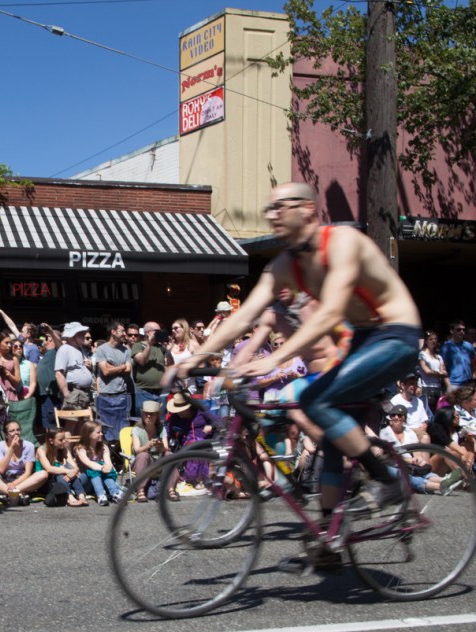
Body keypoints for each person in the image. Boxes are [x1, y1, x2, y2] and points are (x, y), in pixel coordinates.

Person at [178, 182, 424, 571]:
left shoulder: (342, 243)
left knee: (313, 400)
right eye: (269, 209)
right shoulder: (283, 265)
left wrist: (275, 359)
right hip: (363, 338)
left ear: (308, 209)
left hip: (396, 334)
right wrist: (195, 357)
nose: (272, 215)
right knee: (331, 439)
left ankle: (387, 482)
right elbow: (244, 317)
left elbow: (330, 314)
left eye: (281, 207)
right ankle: (328, 540)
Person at [0, 420, 47, 504]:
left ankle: (11, 494)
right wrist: (11, 448)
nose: (16, 433)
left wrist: (14, 484)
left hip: (22, 481)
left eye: (18, 430)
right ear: (6, 434)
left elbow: (28, 473)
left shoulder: (29, 446)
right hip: (4, 481)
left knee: (43, 474)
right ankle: (18, 494)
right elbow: (1, 470)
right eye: (12, 431)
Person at [92, 321, 133, 438]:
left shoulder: (126, 350)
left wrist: (112, 367)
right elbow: (105, 371)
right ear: (113, 332)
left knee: (123, 428)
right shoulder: (102, 349)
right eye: (122, 331)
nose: (125, 334)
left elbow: (128, 370)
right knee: (106, 428)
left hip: (122, 395)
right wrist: (122, 366)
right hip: (105, 395)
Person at [73, 419, 122, 506]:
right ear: (89, 434)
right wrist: (103, 468)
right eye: (98, 432)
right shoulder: (80, 449)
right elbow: (89, 463)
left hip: (99, 479)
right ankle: (101, 495)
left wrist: (107, 467)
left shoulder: (103, 447)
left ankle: (115, 493)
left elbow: (108, 463)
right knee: (94, 470)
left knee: (104, 471)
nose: (101, 434)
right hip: (85, 482)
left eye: (101, 432)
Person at [35, 427, 87, 506]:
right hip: (46, 482)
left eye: (64, 439)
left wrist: (71, 473)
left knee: (78, 473)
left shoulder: (63, 449)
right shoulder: (42, 450)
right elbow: (49, 469)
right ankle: (69, 496)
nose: (64, 441)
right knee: (60, 472)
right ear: (51, 441)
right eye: (60, 440)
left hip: (61, 480)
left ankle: (81, 495)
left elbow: (75, 466)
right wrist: (67, 471)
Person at [129, 400, 169, 502]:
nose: (149, 416)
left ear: (157, 416)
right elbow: (137, 450)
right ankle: (140, 490)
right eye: (146, 414)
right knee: (143, 455)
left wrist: (161, 446)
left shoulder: (161, 428)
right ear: (142, 415)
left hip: (158, 461)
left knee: (169, 454)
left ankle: (171, 489)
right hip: (142, 462)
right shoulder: (137, 429)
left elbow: (166, 448)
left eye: (152, 414)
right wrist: (148, 445)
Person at [131, 321, 168, 418]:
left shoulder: (161, 348)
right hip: (144, 392)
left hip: (160, 392)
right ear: (148, 332)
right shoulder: (138, 346)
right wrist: (149, 344)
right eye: (157, 331)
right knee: (143, 421)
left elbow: (169, 364)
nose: (159, 333)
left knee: (161, 421)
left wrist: (168, 348)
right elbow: (141, 361)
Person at [54, 322, 93, 410]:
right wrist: (67, 395)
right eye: (80, 334)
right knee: (73, 418)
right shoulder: (64, 349)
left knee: (85, 418)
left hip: (85, 393)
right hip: (75, 394)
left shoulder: (81, 350)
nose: (84, 335)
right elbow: (59, 374)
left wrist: (90, 368)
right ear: (73, 336)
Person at [389, 374, 431, 443]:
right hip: (404, 431)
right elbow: (391, 422)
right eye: (411, 384)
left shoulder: (419, 402)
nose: (414, 386)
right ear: (403, 385)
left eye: (415, 384)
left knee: (425, 438)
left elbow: (424, 421)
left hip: (418, 431)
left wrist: (424, 425)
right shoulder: (395, 401)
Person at [417, 329, 448, 411]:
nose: (433, 341)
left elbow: (444, 372)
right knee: (427, 410)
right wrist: (440, 373)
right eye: (430, 339)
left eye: (435, 339)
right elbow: (427, 371)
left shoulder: (439, 357)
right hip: (426, 387)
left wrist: (438, 373)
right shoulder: (422, 355)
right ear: (426, 341)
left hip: (438, 388)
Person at [441, 320, 475, 390]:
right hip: (454, 384)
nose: (462, 332)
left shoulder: (469, 346)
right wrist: (449, 386)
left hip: (468, 385)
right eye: (458, 330)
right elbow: (443, 368)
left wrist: (473, 382)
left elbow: (473, 366)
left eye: (463, 330)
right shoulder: (447, 347)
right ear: (452, 331)